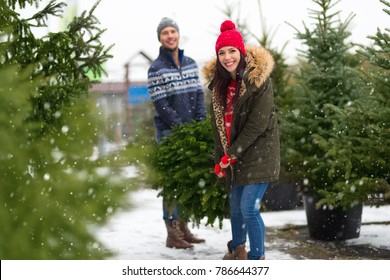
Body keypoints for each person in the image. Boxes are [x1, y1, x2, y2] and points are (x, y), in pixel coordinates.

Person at [202, 20, 280, 260]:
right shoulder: (219, 87)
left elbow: (257, 124)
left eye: (232, 51)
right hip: (234, 156)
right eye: (222, 53)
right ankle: (238, 249)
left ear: (241, 52)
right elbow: (219, 129)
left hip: (259, 153)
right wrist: (220, 159)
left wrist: (232, 153)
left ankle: (257, 259)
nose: (227, 57)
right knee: (235, 209)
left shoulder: (258, 81)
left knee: (248, 208)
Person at [147, 17, 207, 249]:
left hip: (192, 129)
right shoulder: (156, 68)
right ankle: (172, 232)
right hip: (170, 133)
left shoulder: (191, 63)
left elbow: (199, 95)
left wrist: (200, 122)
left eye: (173, 31)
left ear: (178, 35)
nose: (170, 36)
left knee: (187, 180)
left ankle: (183, 228)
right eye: (165, 33)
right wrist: (180, 126)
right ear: (160, 38)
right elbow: (161, 104)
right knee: (172, 182)